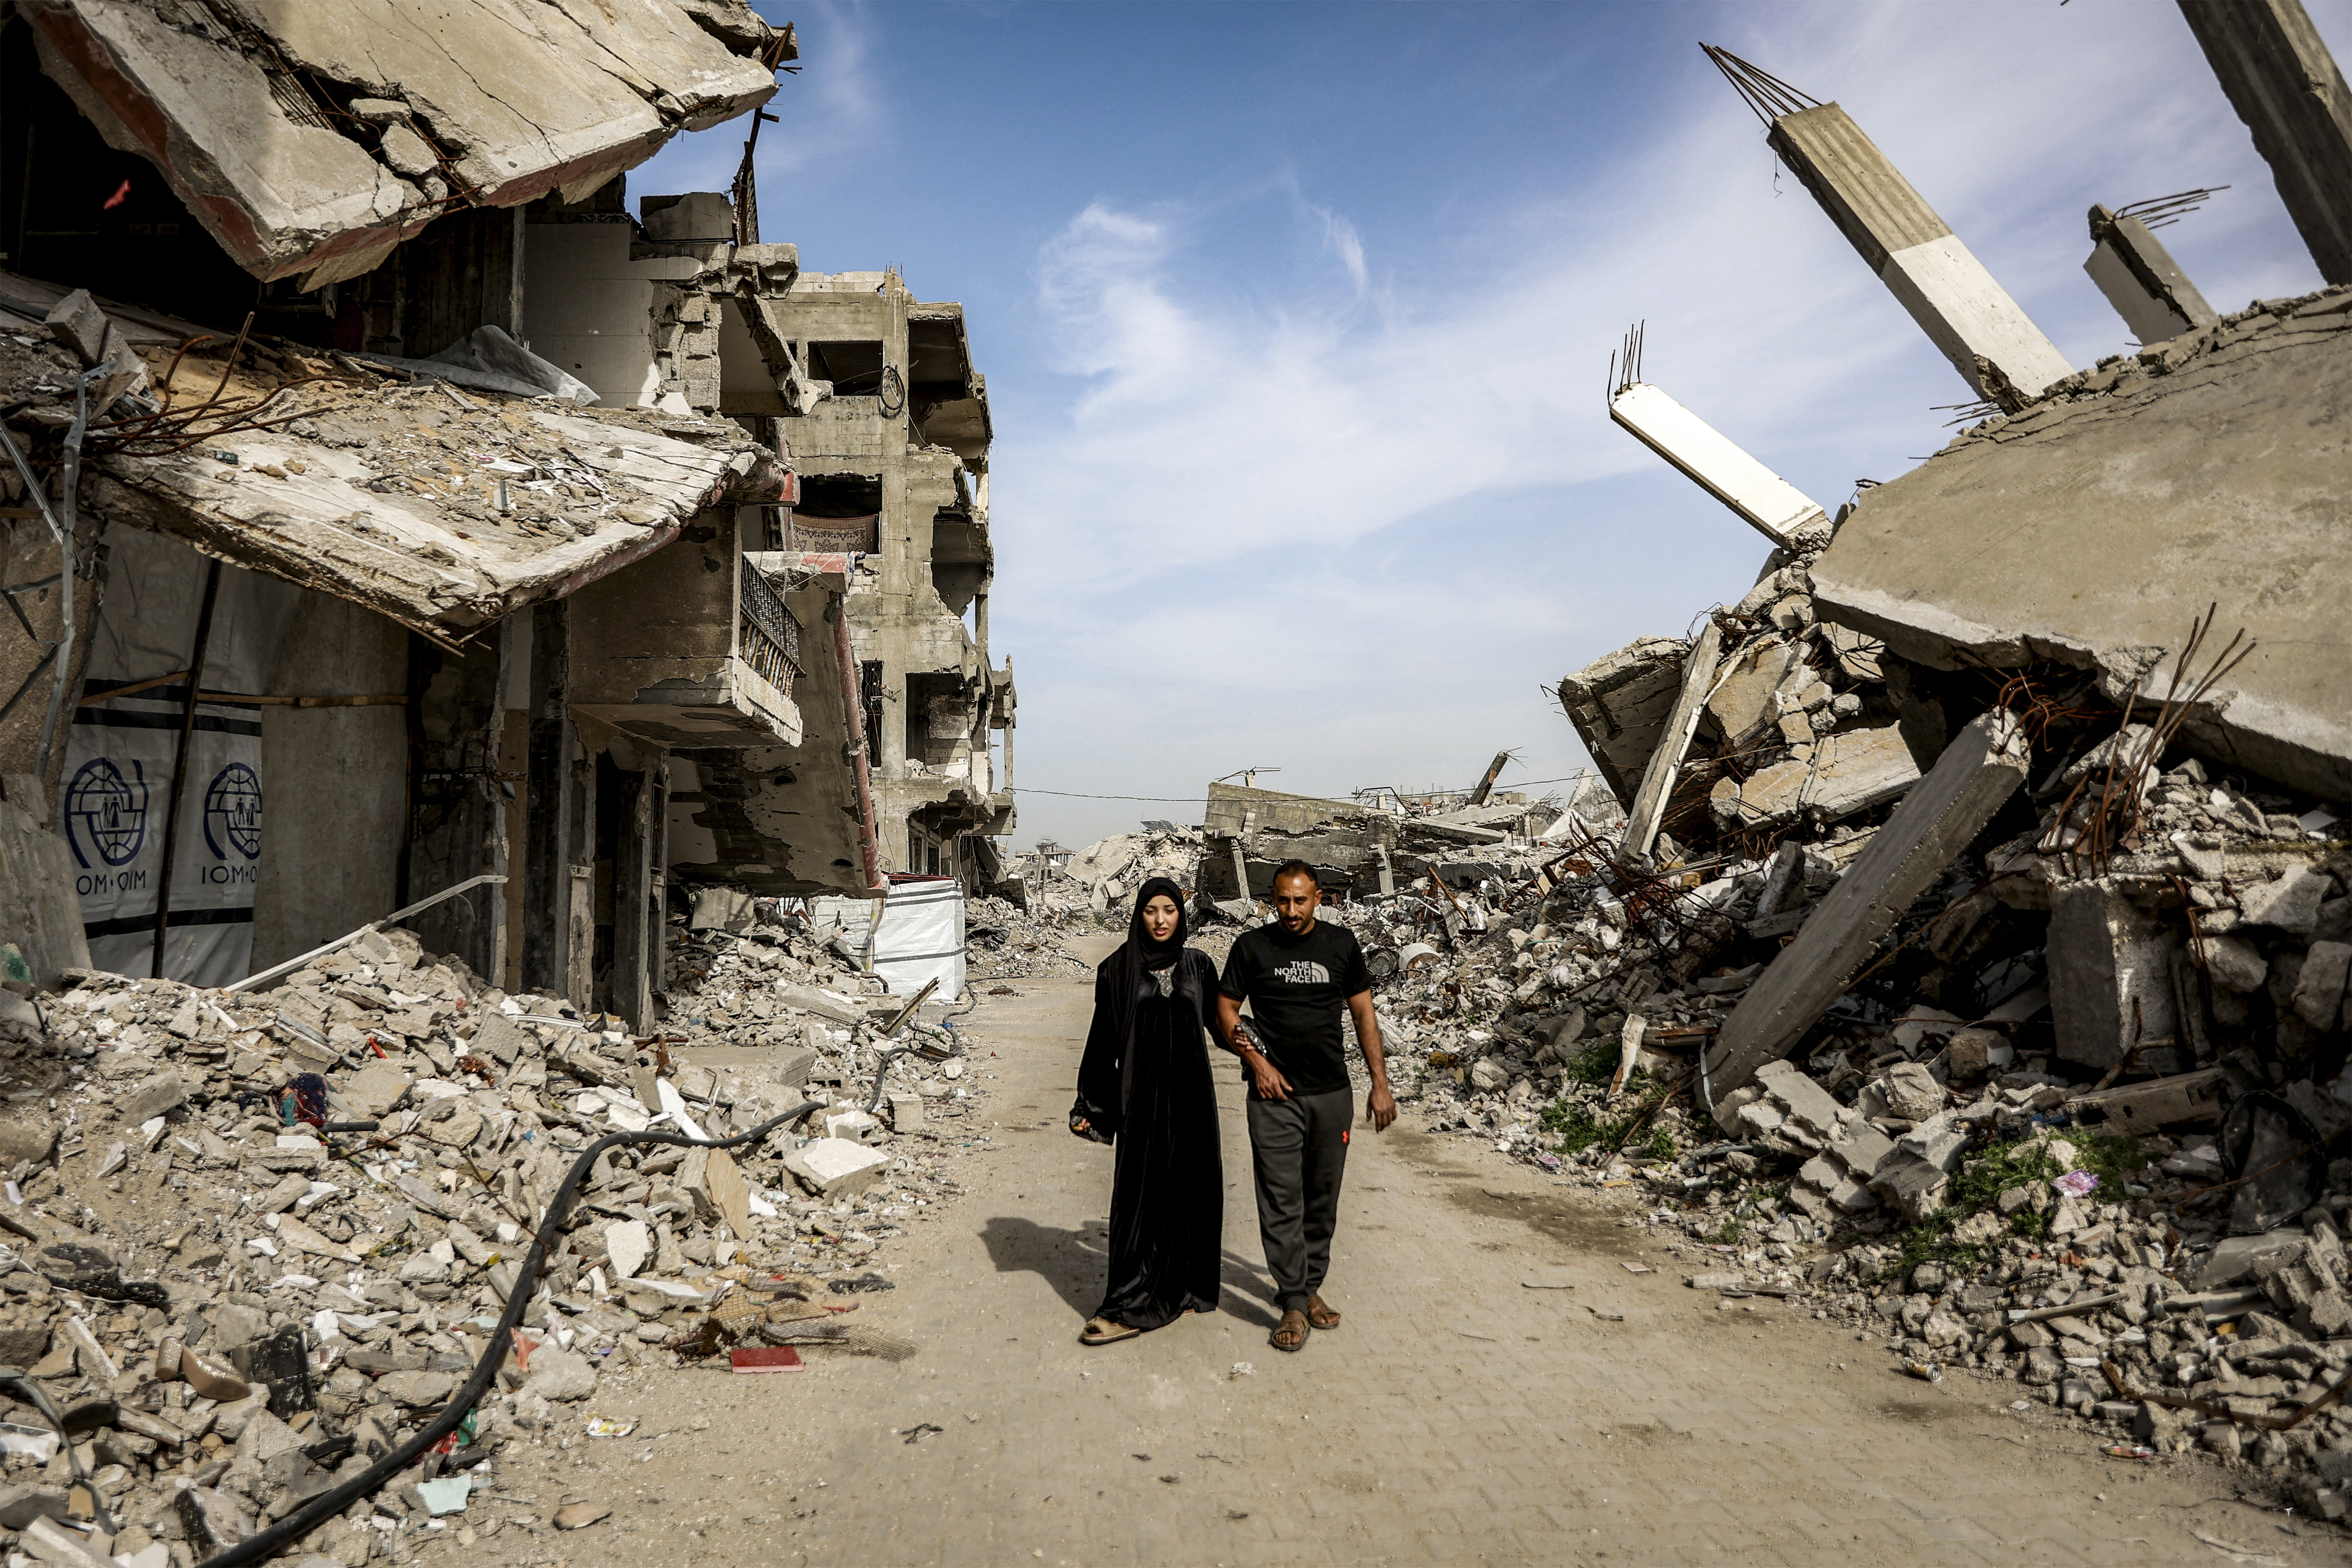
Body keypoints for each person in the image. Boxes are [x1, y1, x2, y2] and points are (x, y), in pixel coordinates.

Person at [1215, 860, 1395, 1352]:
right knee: (1280, 1199)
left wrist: (1380, 1084)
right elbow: (1225, 1008)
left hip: (1332, 1094)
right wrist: (1256, 1063)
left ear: (1319, 899)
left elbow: (1364, 1015)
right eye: (1281, 900)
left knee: (1321, 1198)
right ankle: (1294, 1299)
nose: (1291, 910)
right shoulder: (1252, 947)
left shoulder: (1341, 947)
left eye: (1300, 900)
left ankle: (1311, 1283)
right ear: (1270, 900)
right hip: (1274, 1096)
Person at [1069, 877, 1223, 1345]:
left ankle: (1185, 1288)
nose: (1160, 920)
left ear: (1182, 915)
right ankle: (1128, 1303)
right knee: (1138, 1200)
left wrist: (1267, 1052)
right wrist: (1092, 1107)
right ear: (1139, 914)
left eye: (1170, 910)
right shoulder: (1116, 969)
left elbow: (1222, 1025)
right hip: (1141, 1101)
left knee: (1192, 1193)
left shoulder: (1199, 966)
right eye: (1151, 910)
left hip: (1192, 1101)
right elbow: (1103, 1043)